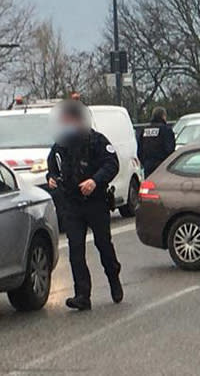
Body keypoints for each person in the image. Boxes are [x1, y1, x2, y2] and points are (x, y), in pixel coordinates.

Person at [46, 100, 122, 311]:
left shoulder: (96, 140)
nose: (66, 124)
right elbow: (53, 166)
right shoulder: (61, 144)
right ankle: (82, 295)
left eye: (69, 120)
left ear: (78, 119)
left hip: (95, 202)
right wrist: (51, 177)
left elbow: (112, 164)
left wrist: (95, 181)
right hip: (72, 204)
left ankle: (113, 278)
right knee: (75, 250)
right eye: (63, 121)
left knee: (103, 244)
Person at [137, 107, 175, 177]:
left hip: (148, 166)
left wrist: (145, 163)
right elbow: (170, 150)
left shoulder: (145, 130)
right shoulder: (166, 130)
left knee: (149, 186)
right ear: (163, 116)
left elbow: (139, 150)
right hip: (163, 166)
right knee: (162, 186)